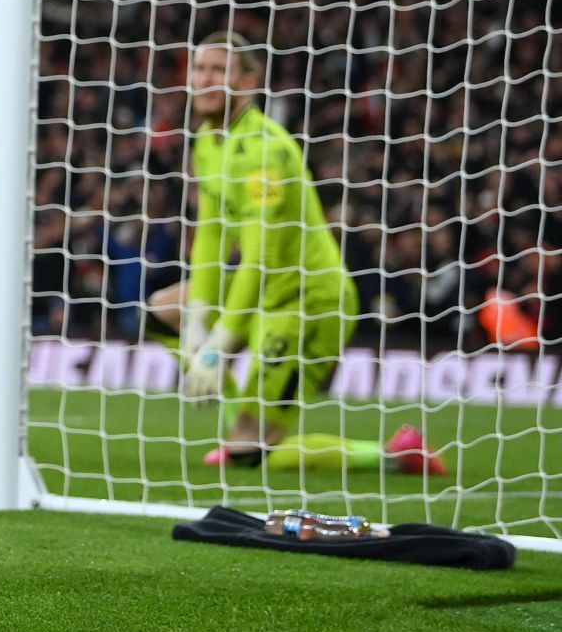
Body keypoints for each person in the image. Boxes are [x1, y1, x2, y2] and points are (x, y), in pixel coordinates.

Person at [147, 33, 445, 476]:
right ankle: (239, 425)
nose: (204, 79)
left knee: (251, 457)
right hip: (265, 291)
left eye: (218, 70)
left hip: (308, 301)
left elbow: (260, 257)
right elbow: (211, 238)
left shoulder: (267, 151)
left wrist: (216, 348)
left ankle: (395, 455)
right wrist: (194, 328)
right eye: (199, 69)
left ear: (247, 81)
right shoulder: (208, 142)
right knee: (162, 310)